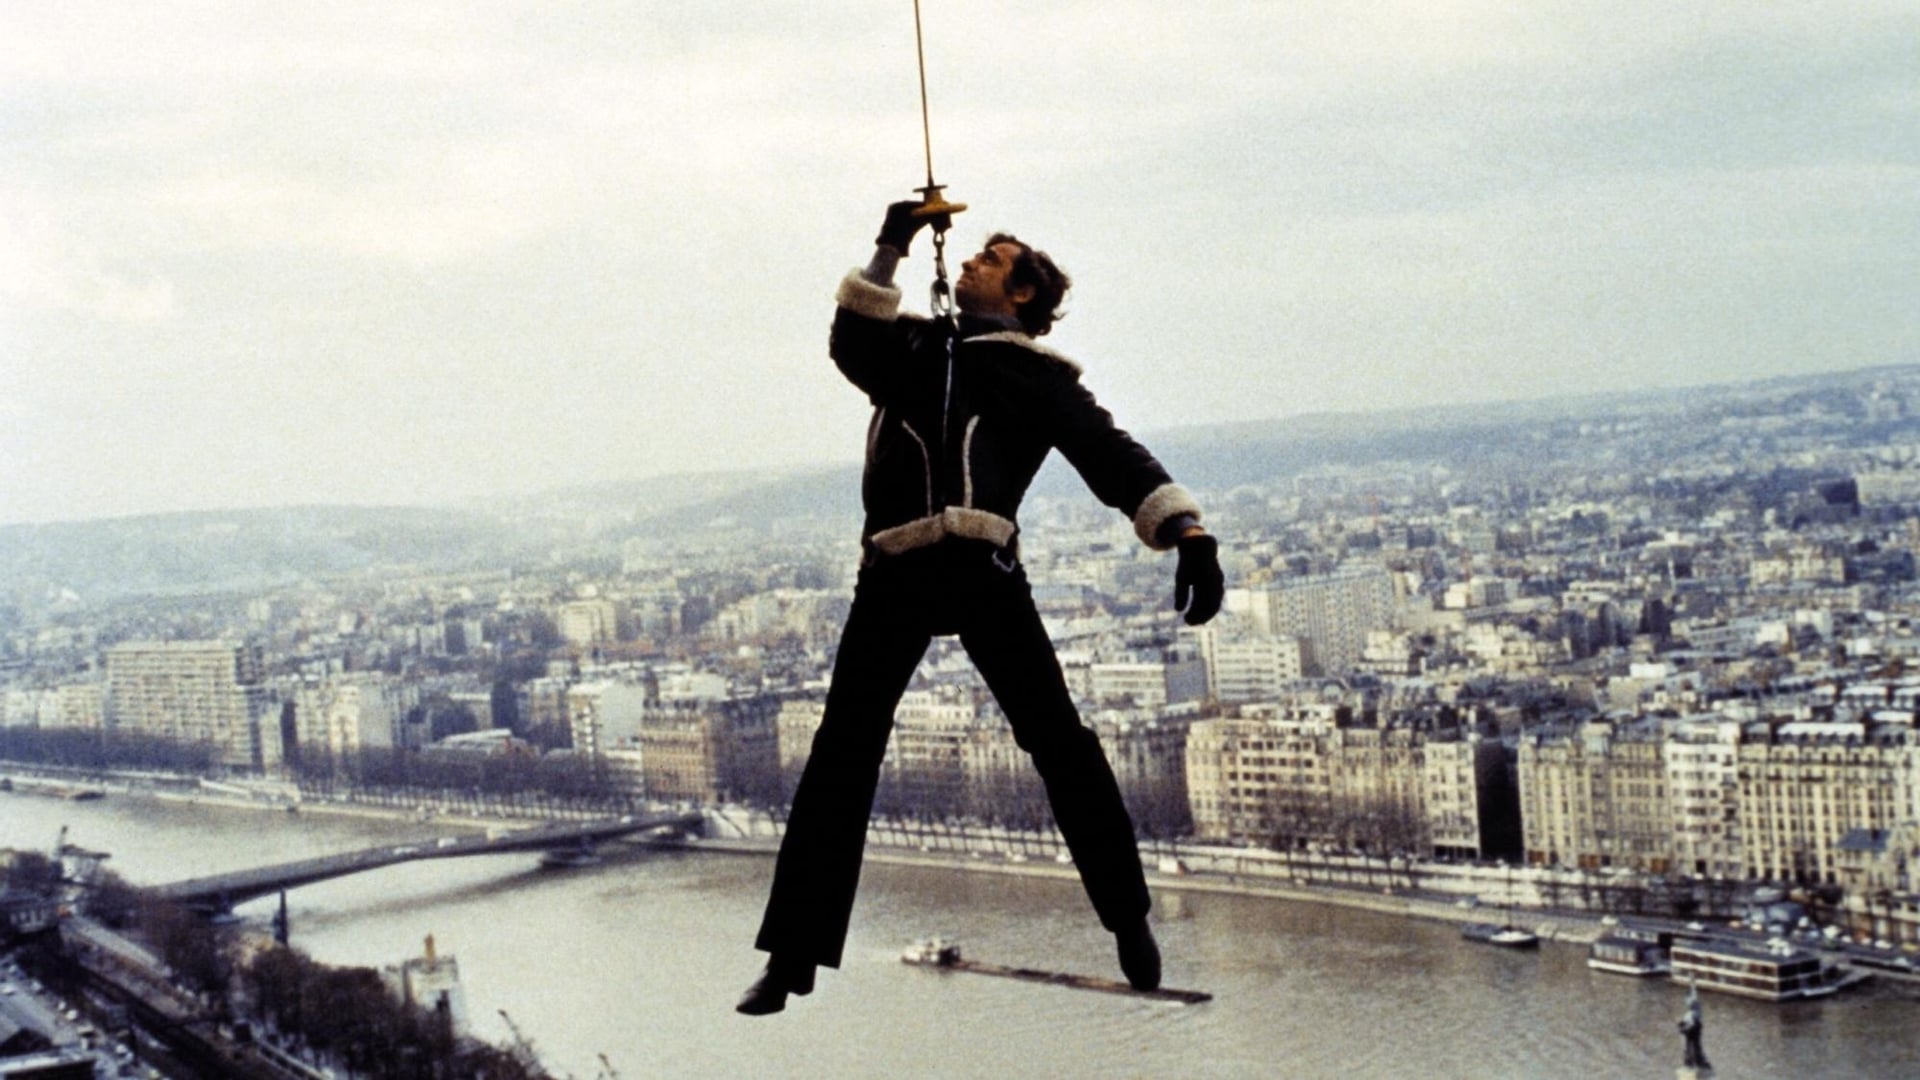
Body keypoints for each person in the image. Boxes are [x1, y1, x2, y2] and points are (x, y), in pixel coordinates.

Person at [737, 200, 1225, 1015]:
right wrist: (891, 243)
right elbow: (852, 343)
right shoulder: (918, 347)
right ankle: (792, 956)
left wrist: (1189, 529)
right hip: (905, 568)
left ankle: (1128, 915)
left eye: (990, 261)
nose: (967, 264)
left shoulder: (1033, 376)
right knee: (845, 753)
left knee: (1056, 742)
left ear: (1024, 293)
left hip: (970, 564)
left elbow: (1110, 453)